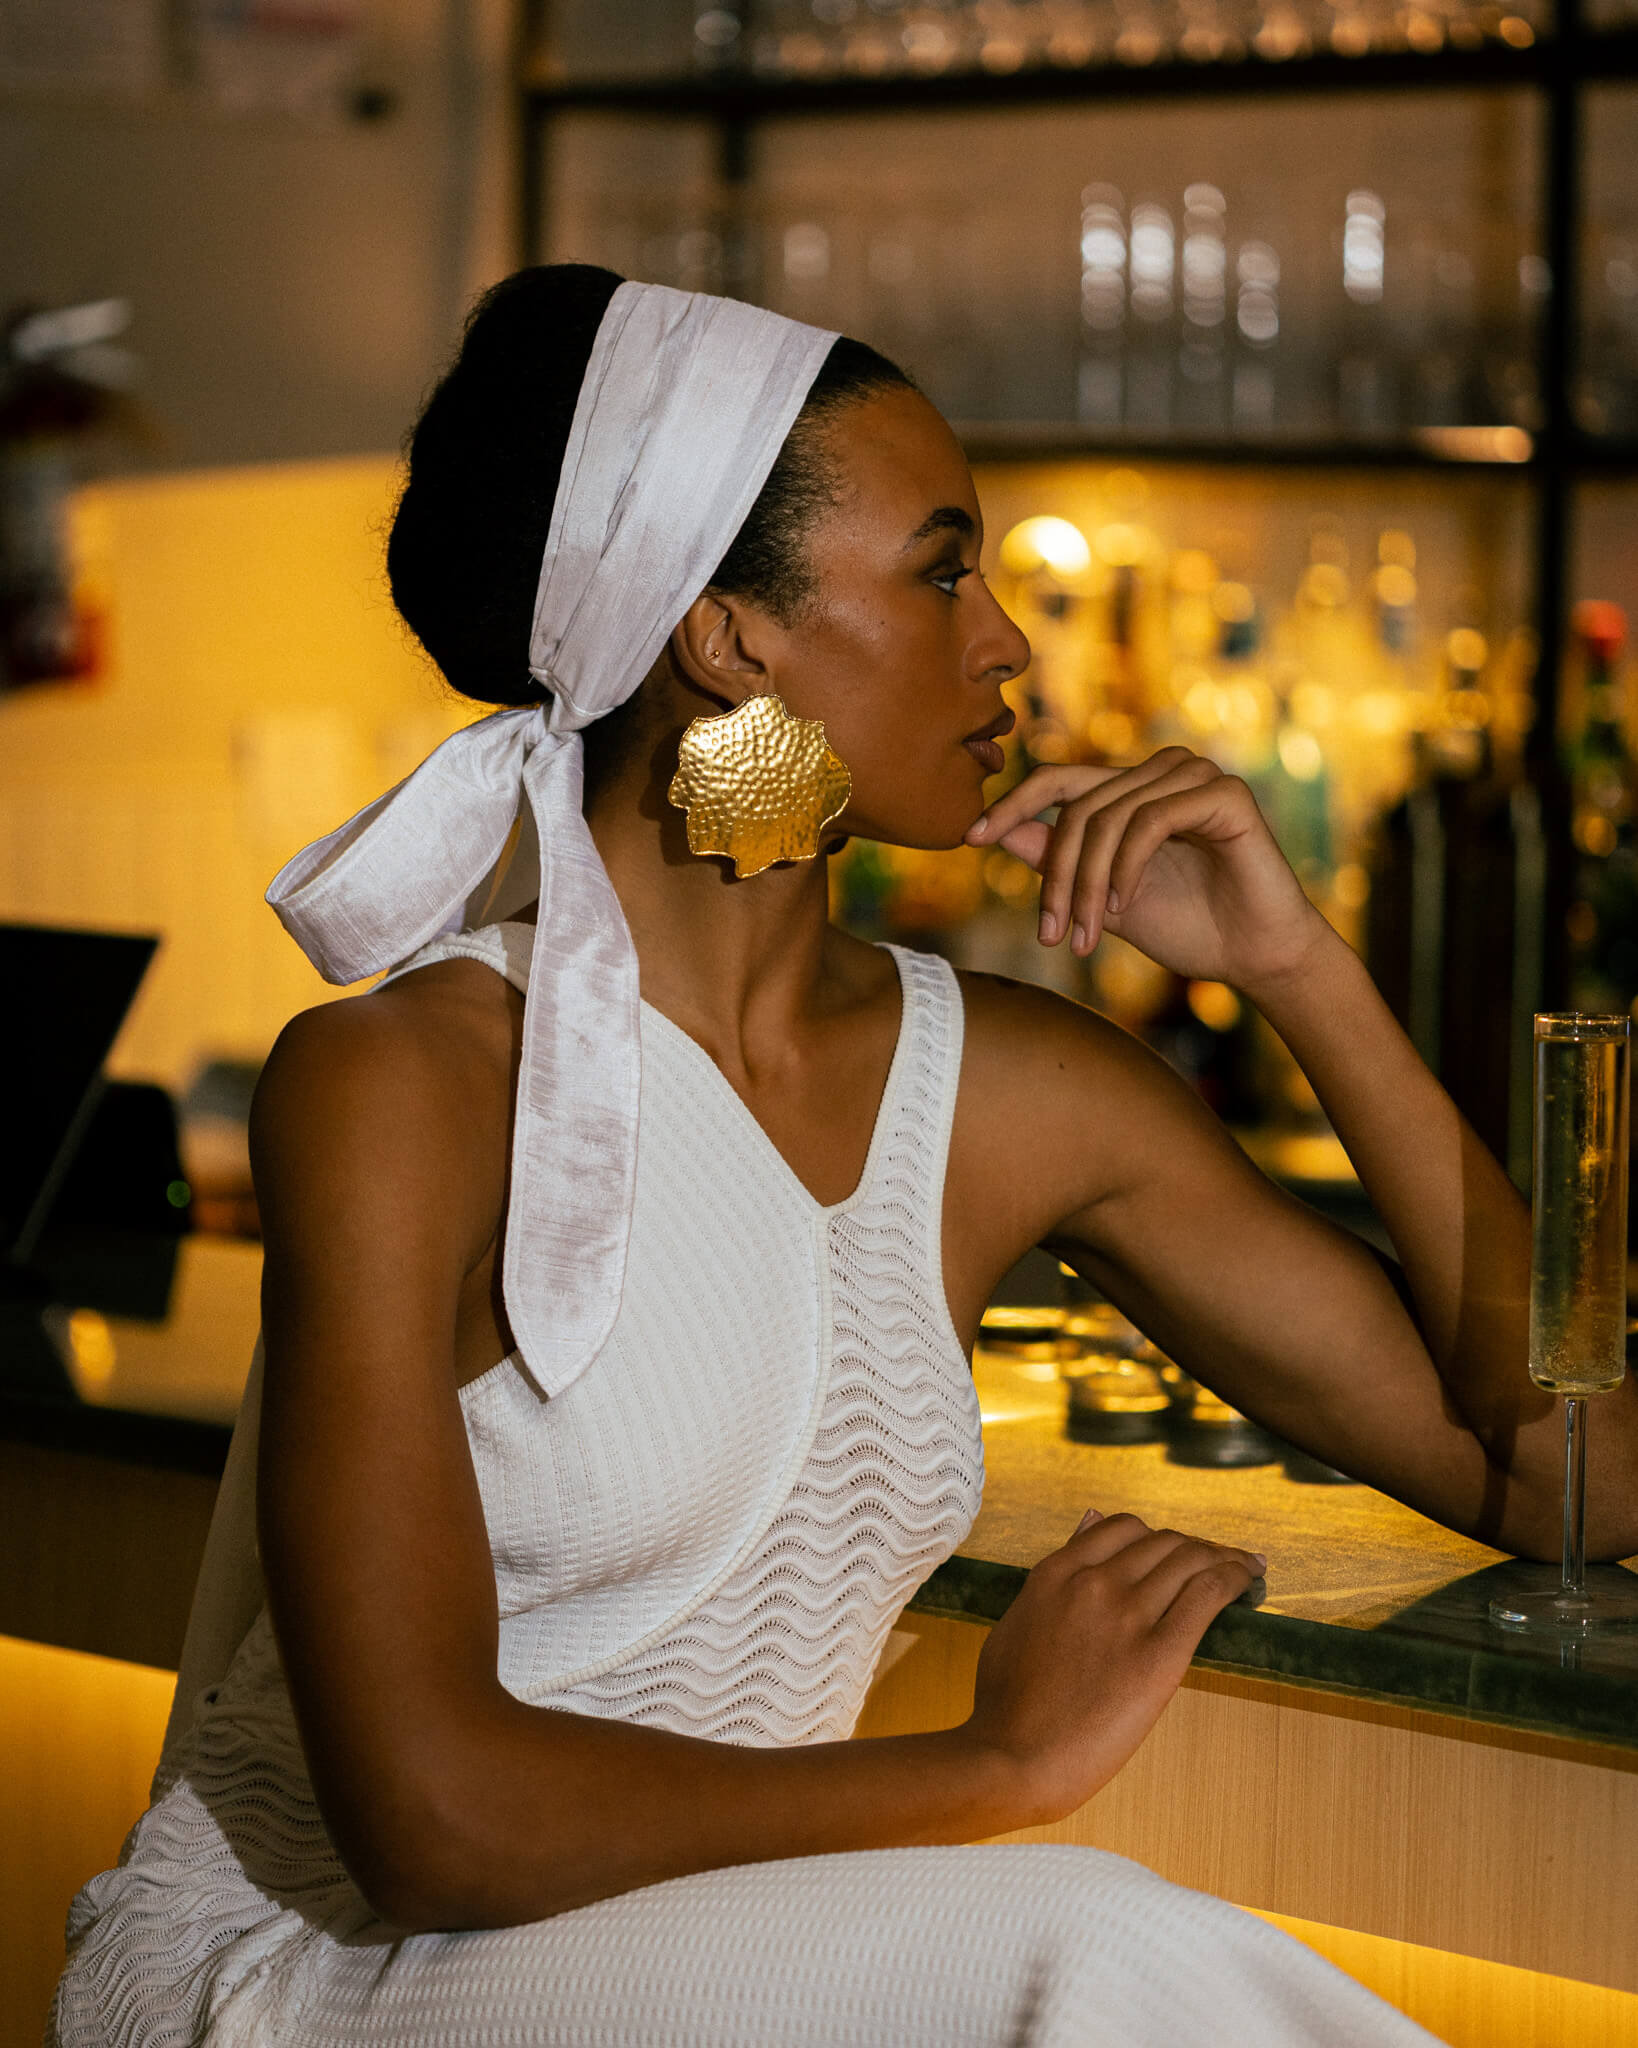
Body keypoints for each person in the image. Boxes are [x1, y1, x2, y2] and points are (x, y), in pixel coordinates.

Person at [50, 266, 1638, 2048]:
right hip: (322, 1973)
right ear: (726, 640)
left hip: (708, 1963)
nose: (1007, 642)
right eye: (941, 567)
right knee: (1084, 1947)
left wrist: (1301, 977)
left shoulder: (1016, 1091)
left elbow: (1571, 1480)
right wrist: (996, 1767)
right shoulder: (406, 1082)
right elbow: (431, 1825)